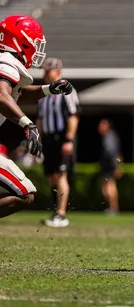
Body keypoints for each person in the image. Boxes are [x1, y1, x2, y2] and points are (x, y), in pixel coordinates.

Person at [0, 14, 73, 219]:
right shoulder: (6, 61)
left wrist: (49, 89)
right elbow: (2, 96)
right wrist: (28, 124)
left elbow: (15, 95)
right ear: (20, 40)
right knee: (24, 194)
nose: (37, 48)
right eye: (35, 42)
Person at [37, 57, 80, 227]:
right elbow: (40, 118)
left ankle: (61, 213)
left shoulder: (66, 91)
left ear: (59, 71)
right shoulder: (43, 93)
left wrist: (69, 139)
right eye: (45, 71)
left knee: (61, 174)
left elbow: (73, 116)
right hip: (48, 138)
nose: (47, 74)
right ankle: (56, 210)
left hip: (62, 137)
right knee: (52, 176)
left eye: (50, 70)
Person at [98, 118, 122, 215]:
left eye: (102, 125)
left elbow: (114, 153)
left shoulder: (109, 137)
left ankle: (113, 208)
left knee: (110, 186)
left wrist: (117, 166)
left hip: (109, 166)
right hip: (108, 165)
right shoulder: (109, 136)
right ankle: (111, 207)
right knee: (106, 187)